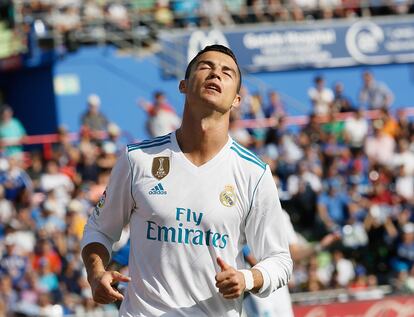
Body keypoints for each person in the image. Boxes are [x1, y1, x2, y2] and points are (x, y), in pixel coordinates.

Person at [81, 45, 293, 316]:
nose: (215, 73)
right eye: (205, 67)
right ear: (183, 85)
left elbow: (280, 260)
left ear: (237, 100)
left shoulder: (254, 174)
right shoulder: (138, 159)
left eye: (226, 72)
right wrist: (96, 272)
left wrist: (247, 278)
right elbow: (99, 229)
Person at [243, 209, 340, 317]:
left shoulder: (282, 215)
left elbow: (294, 253)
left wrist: (321, 245)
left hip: (277, 285)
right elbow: (245, 251)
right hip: (253, 283)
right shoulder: (245, 209)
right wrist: (249, 256)